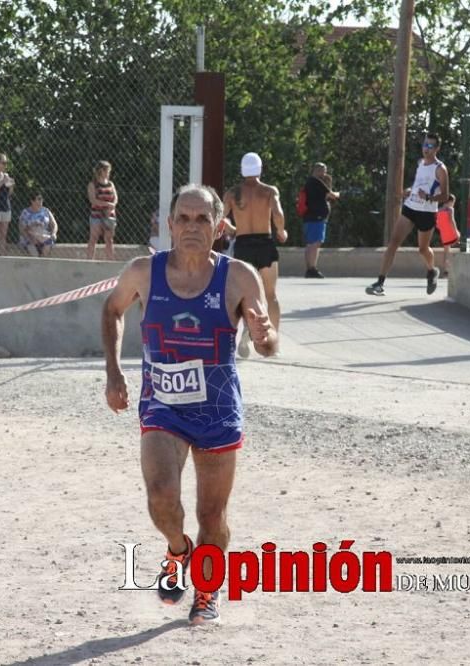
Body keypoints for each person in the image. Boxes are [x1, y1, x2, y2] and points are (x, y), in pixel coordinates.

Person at [102, 184, 278, 626]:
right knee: (161, 497)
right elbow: (112, 311)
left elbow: (269, 340)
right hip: (163, 407)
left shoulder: (239, 275)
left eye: (202, 219)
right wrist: (114, 372)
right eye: (183, 218)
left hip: (217, 410)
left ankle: (206, 591)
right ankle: (179, 549)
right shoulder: (144, 271)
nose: (191, 227)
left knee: (211, 514)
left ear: (220, 227)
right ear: (170, 225)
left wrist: (263, 336)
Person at [366, 133, 449, 297]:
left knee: (423, 249)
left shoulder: (440, 169)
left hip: (427, 212)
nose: (427, 149)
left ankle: (432, 271)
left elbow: (445, 196)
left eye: (431, 146)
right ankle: (380, 282)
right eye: (425, 145)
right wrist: (410, 190)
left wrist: (428, 197)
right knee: (393, 243)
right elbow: (419, 183)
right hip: (410, 207)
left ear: (437, 148)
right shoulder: (420, 163)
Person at [224, 152, 287, 358]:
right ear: (260, 169)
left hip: (243, 245)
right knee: (271, 296)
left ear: (242, 170)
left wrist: (232, 229)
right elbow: (278, 213)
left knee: (242, 294)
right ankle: (273, 344)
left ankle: (243, 333)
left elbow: (219, 217)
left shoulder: (233, 193)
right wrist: (281, 231)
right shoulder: (269, 191)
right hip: (265, 244)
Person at [301, 162, 340, 278]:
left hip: (310, 217)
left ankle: (310, 268)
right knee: (315, 243)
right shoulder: (316, 182)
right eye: (324, 171)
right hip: (316, 217)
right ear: (318, 170)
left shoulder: (310, 182)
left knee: (310, 244)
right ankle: (312, 268)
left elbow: (325, 196)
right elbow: (332, 195)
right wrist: (339, 194)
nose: (325, 173)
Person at [87, 160, 118, 260]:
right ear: (101, 171)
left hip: (109, 215)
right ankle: (89, 261)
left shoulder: (110, 184)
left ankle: (110, 260)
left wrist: (112, 206)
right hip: (97, 215)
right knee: (94, 238)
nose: (108, 173)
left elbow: (115, 197)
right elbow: (93, 200)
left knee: (109, 239)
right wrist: (107, 204)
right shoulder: (92, 185)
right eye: (107, 171)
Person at [18, 193, 58, 257]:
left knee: (47, 246)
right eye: (39, 199)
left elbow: (54, 224)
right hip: (30, 238)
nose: (41, 201)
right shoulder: (25, 212)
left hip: (43, 237)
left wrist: (54, 233)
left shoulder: (46, 210)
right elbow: (21, 228)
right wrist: (29, 238)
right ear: (32, 201)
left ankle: (42, 262)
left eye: (41, 199)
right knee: (35, 255)